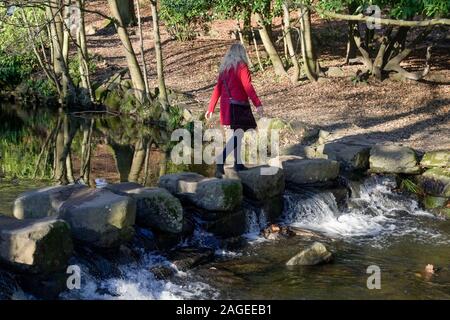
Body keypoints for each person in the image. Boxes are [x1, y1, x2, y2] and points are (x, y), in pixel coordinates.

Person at [205, 43, 263, 176]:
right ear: (241, 53)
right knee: (239, 134)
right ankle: (222, 158)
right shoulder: (241, 66)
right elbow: (248, 87)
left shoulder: (225, 68)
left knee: (237, 134)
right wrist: (258, 104)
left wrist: (211, 108)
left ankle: (238, 164)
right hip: (238, 106)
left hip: (227, 107)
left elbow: (217, 89)